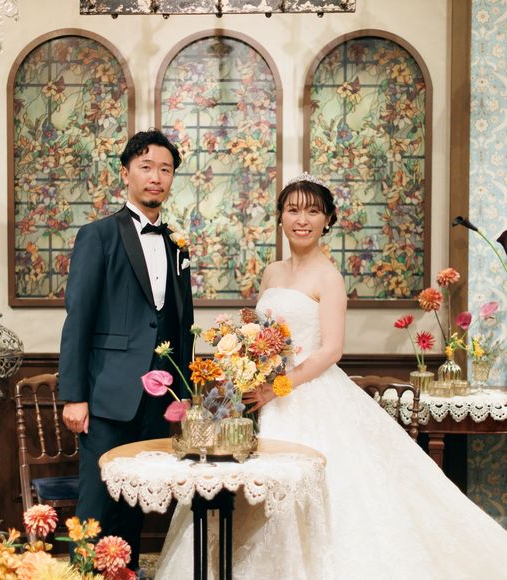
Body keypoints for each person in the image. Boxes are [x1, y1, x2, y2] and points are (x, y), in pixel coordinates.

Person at [155, 173, 507, 579]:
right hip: (256, 390)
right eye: (293, 210)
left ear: (327, 220)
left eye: (312, 211)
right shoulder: (272, 273)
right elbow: (258, 330)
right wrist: (244, 367)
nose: (301, 219)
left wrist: (277, 388)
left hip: (305, 393)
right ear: (280, 217)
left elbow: (330, 350)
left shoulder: (329, 277)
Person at [58, 129, 194, 570]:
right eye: (146, 167)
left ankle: (125, 576)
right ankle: (81, 577)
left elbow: (181, 325)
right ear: (126, 173)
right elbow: (78, 319)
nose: (156, 177)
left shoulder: (176, 243)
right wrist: (74, 396)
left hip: (157, 400)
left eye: (165, 170)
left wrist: (183, 396)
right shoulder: (98, 235)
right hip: (105, 396)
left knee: (133, 506)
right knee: (95, 506)